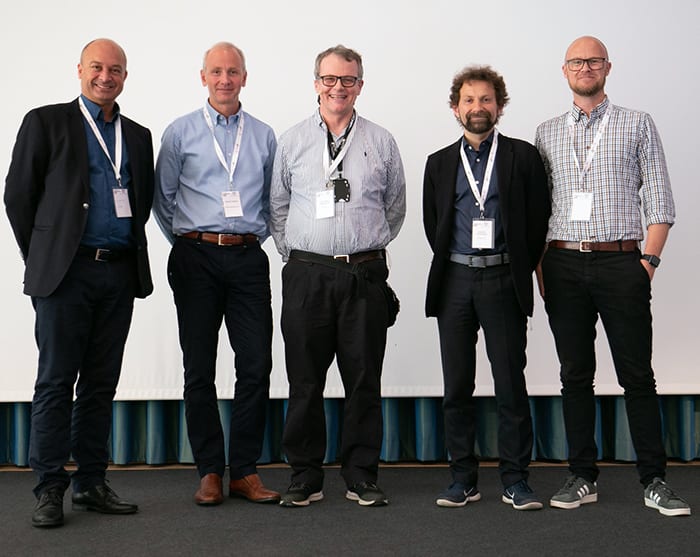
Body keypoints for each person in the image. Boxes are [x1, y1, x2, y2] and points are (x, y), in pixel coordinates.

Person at [535, 35, 691, 517]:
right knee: (574, 375)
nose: (585, 68)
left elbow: (661, 202)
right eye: (576, 62)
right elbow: (538, 210)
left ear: (607, 67)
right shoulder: (546, 132)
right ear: (565, 71)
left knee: (637, 375)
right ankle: (582, 476)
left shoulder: (637, 123)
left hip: (622, 263)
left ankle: (655, 480)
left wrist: (647, 264)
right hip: (562, 264)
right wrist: (541, 267)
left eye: (594, 61)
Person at [4, 38, 153, 528]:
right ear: (80, 70)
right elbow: (18, 196)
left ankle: (91, 482)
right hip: (65, 276)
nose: (105, 76)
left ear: (125, 76)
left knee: (100, 384)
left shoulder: (137, 135)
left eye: (115, 69)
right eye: (97, 67)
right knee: (55, 381)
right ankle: (49, 487)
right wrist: (45, 254)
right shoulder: (46, 122)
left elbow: (142, 202)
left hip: (117, 272)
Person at [270, 45, 406, 507]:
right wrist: (302, 254)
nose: (338, 88)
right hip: (307, 275)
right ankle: (304, 476)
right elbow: (277, 206)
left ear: (360, 86)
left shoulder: (381, 141)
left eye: (348, 80)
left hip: (362, 276)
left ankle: (360, 475)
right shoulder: (292, 141)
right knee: (304, 380)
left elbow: (395, 206)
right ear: (316, 84)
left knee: (363, 379)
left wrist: (361, 248)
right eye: (329, 79)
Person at [154, 41, 279, 506]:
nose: (225, 79)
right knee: (199, 367)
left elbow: (272, 200)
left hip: (247, 258)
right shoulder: (180, 132)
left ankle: (244, 470)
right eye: (217, 71)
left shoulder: (264, 135)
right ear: (202, 77)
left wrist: (248, 237)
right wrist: (192, 242)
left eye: (233, 71)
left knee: (256, 364)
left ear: (245, 77)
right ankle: (209, 470)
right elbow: (162, 199)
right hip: (195, 258)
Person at [423, 66, 550, 511]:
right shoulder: (439, 163)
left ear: (500, 106)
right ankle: (462, 479)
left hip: (503, 278)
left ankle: (516, 480)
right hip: (455, 281)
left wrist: (514, 264)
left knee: (510, 383)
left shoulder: (523, 157)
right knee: (457, 385)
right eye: (469, 100)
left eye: (486, 99)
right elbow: (433, 225)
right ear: (455, 108)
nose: (478, 107)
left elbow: (537, 221)